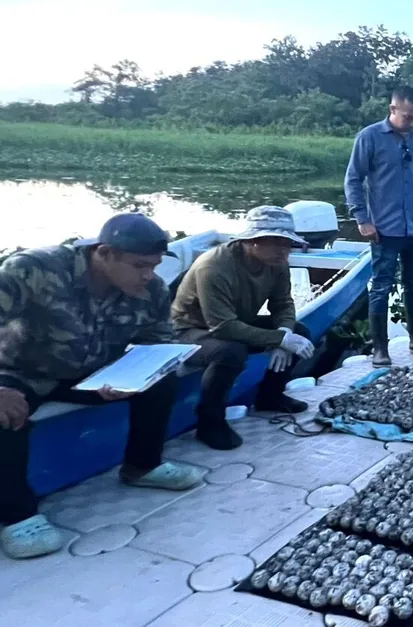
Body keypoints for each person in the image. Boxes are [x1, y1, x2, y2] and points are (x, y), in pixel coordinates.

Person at [0, 214, 207, 560]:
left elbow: (158, 341)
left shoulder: (151, 289)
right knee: (4, 414)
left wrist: (135, 376)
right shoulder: (34, 269)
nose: (149, 275)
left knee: (161, 381)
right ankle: (17, 515)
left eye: (154, 265)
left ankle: (142, 466)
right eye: (140, 265)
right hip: (21, 372)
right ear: (105, 253)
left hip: (93, 373)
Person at [171, 206, 316, 450]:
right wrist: (278, 339)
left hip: (233, 322)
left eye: (287, 243)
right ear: (251, 241)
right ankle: (210, 421)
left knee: (300, 331)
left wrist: (285, 333)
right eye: (275, 242)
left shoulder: (277, 263)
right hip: (189, 330)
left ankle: (270, 396)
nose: (284, 249)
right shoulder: (214, 266)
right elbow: (222, 327)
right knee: (229, 352)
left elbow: (282, 303)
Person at [345, 85, 413, 366]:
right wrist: (362, 219)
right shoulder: (369, 137)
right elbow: (353, 179)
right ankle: (380, 348)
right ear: (392, 109)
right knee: (381, 287)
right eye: (407, 116)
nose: (412, 122)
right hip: (384, 229)